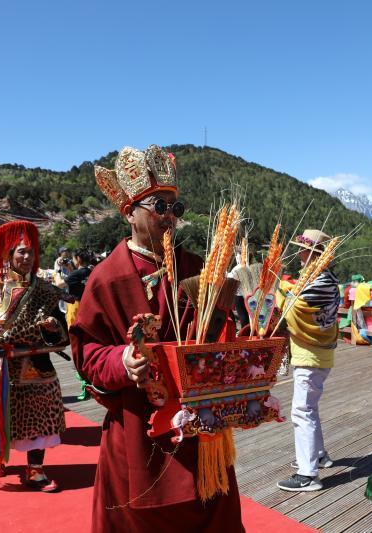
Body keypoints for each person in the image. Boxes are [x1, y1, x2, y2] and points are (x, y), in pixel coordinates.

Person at [71, 145, 243, 532]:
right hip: (138, 432)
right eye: (159, 206)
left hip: (201, 434)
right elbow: (88, 354)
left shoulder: (196, 267)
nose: (170, 216)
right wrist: (122, 361)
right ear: (129, 212)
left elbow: (220, 333)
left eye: (175, 207)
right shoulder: (106, 278)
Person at [0, 221, 67, 492]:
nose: (27, 257)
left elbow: (62, 330)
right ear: (9, 255)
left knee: (41, 414)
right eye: (21, 252)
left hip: (37, 362)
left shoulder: (45, 290)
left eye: (30, 252)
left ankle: (36, 469)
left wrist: (53, 326)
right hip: (3, 364)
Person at [275, 229, 341, 492]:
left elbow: (294, 309)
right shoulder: (321, 278)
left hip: (312, 354)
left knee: (302, 410)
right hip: (315, 353)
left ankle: (308, 474)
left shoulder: (321, 281)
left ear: (313, 253)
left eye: (303, 249)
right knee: (309, 408)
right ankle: (319, 456)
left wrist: (278, 292)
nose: (299, 253)